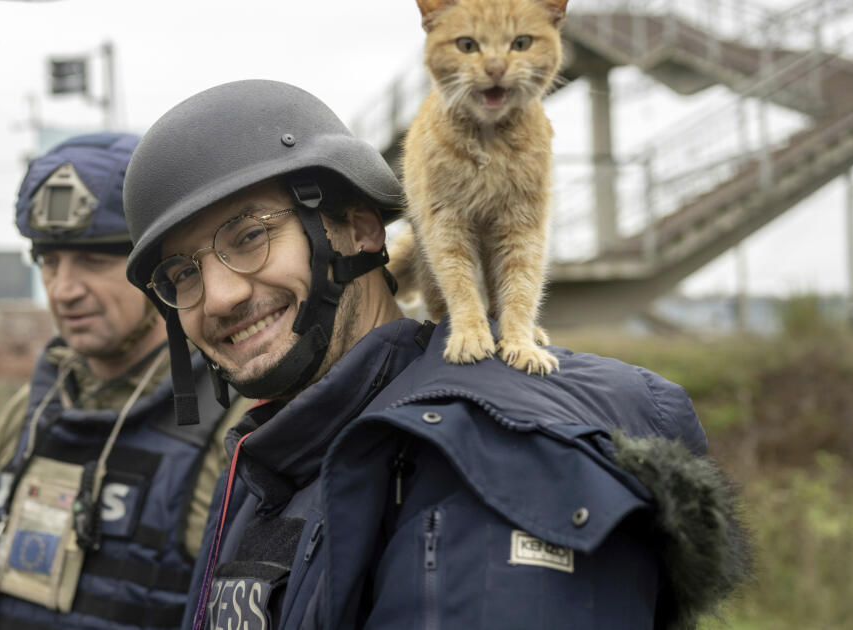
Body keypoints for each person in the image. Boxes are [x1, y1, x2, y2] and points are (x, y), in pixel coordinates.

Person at [120, 80, 751, 629]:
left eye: (251, 236)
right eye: (183, 274)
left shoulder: (492, 462)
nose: (221, 296)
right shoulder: (272, 462)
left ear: (362, 228)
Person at [0, 133, 251, 630]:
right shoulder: (30, 413)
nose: (64, 289)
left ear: (160, 267)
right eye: (48, 260)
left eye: (94, 261)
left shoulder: (235, 423)